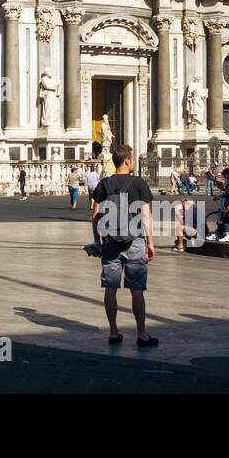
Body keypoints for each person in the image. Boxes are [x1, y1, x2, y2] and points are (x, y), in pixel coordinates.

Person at [90, 144, 157, 347]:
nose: (134, 160)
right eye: (133, 157)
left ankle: (113, 332)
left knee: (110, 287)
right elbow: (146, 215)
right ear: (127, 160)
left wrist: (97, 240)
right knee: (137, 289)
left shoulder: (104, 184)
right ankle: (142, 334)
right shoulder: (138, 184)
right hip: (134, 240)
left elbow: (95, 214)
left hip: (110, 241)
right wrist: (150, 242)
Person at [206, 167, 229, 243]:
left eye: (224, 176)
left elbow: (227, 192)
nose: (224, 177)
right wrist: (221, 187)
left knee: (223, 218)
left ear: (227, 174)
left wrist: (218, 197)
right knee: (222, 217)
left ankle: (221, 234)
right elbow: (226, 190)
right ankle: (218, 233)